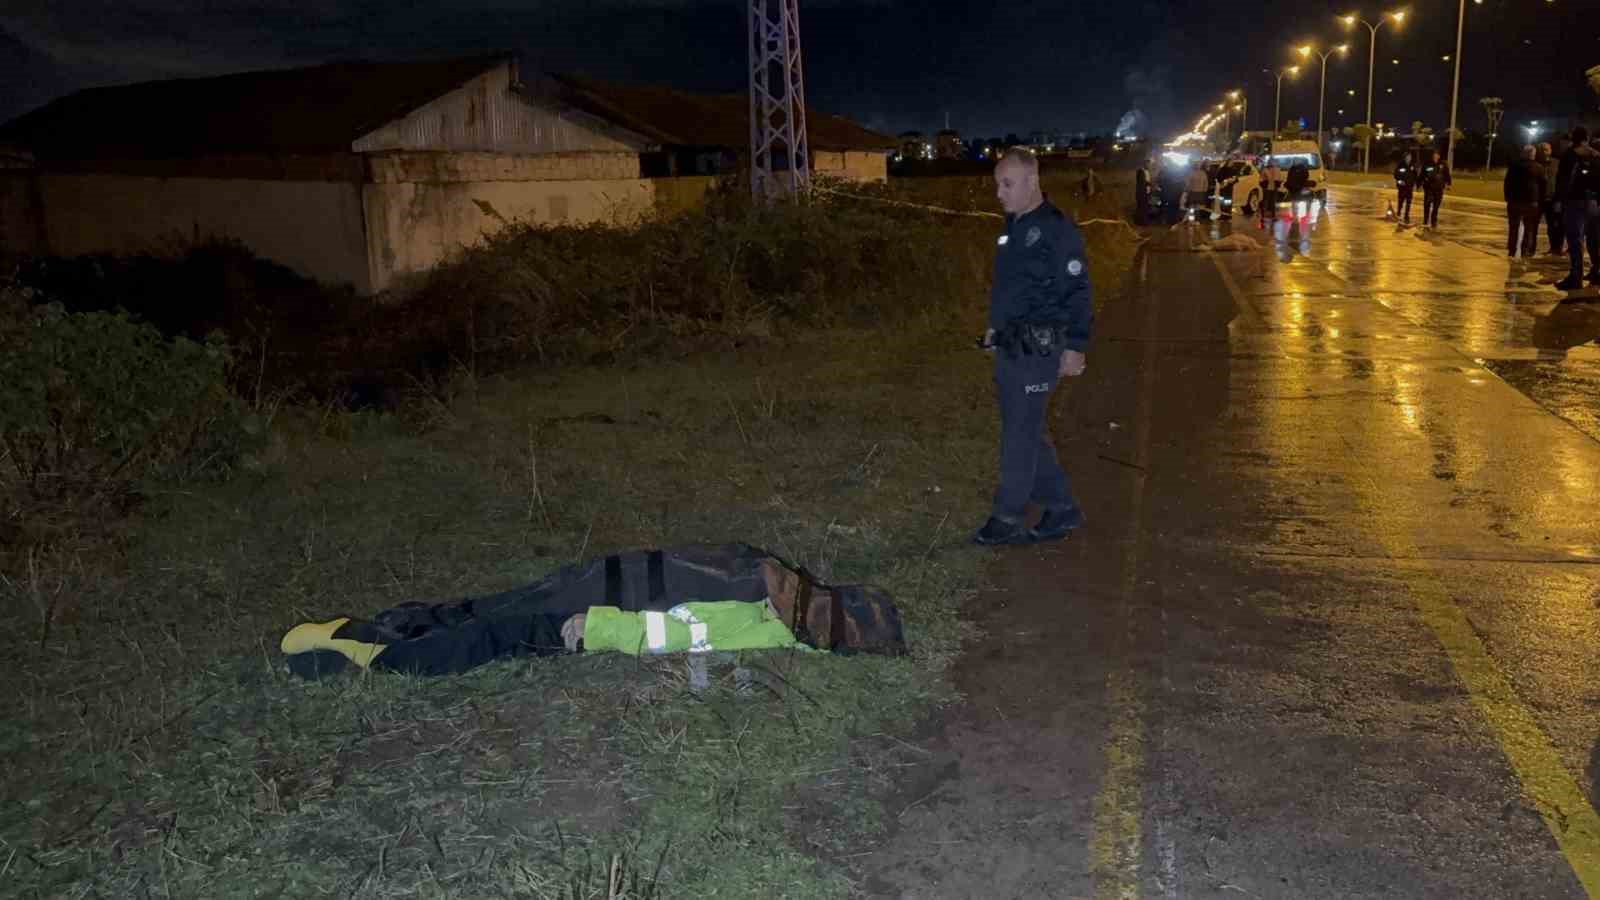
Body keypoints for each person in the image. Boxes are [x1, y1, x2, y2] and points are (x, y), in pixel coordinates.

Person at [972, 149, 1092, 545]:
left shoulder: (1057, 230)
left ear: (1032, 182)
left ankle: (1006, 516)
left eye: (1007, 184)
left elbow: (1077, 291)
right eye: (997, 185)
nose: (999, 193)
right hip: (1011, 346)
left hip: (1041, 347)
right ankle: (1062, 508)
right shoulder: (1013, 228)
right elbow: (1010, 290)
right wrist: (995, 329)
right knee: (1025, 428)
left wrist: (1075, 346)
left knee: (1019, 435)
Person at [1553, 127, 1598, 291]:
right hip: (1594, 202)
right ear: (1587, 138)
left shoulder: (1569, 155)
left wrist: (1558, 200)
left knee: (1575, 239)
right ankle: (1597, 271)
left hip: (1575, 201)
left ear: (1573, 138)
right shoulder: (1595, 154)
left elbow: (1562, 179)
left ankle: (1575, 276)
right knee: (1594, 238)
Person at [1503, 144, 1545, 258]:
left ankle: (1512, 250)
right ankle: (1524, 250)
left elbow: (1507, 183)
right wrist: (1541, 201)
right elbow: (1543, 186)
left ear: (1523, 153)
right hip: (1531, 202)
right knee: (1529, 228)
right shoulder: (1539, 168)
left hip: (1514, 201)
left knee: (1513, 228)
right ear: (1533, 154)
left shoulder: (1514, 166)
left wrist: (1507, 198)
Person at [1538, 141, 1564, 255]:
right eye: (1542, 149)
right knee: (1550, 225)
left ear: (1551, 150)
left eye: (1546, 149)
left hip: (1555, 199)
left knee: (1558, 224)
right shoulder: (1537, 164)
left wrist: (1560, 198)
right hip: (1542, 199)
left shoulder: (1557, 163)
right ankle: (1553, 247)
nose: (1544, 152)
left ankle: (1558, 247)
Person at [1420, 149, 1451, 229]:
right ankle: (1425, 221)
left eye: (1437, 154)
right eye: (1434, 154)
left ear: (1439, 156)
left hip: (1439, 189)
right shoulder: (1427, 164)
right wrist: (1418, 184)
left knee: (1436, 206)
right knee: (1427, 205)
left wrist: (1448, 184)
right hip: (1429, 188)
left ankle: (1434, 221)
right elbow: (1422, 175)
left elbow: (1447, 175)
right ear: (1432, 155)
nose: (1436, 156)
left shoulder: (1443, 164)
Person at [1393, 150, 1417, 224]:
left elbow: (1415, 175)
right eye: (1407, 157)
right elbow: (1395, 174)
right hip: (1402, 187)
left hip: (1409, 187)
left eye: (1410, 157)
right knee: (1401, 201)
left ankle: (1406, 215)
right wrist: (1400, 181)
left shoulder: (1413, 165)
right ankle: (1399, 213)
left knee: (1408, 202)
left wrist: (1415, 184)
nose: (1408, 158)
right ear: (1405, 157)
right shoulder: (1400, 165)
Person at [1134, 160, 1151, 224]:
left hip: (1146, 192)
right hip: (1141, 192)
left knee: (1144, 207)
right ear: (1144, 164)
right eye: (1148, 164)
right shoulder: (1140, 171)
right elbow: (1141, 182)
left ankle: (1143, 221)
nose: (1149, 165)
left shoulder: (1147, 171)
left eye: (1149, 164)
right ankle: (1139, 221)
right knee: (1141, 207)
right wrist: (1148, 184)